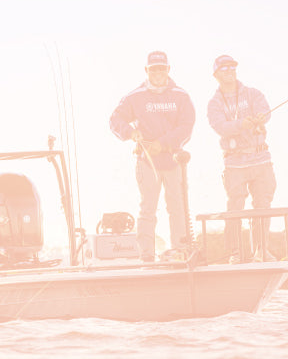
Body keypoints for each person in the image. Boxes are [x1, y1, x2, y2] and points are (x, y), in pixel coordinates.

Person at [110, 51, 195, 262]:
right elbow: (115, 120)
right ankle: (146, 255)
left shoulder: (181, 95)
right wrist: (130, 133)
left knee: (177, 207)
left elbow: (187, 126)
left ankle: (180, 251)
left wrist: (163, 143)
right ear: (146, 70)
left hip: (174, 161)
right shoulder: (134, 96)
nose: (158, 72)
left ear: (168, 69)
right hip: (147, 162)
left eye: (162, 68)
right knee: (148, 208)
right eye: (153, 68)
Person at [207, 54, 276, 264]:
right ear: (216, 74)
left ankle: (261, 250)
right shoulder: (214, 103)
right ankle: (235, 253)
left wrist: (260, 118)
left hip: (261, 158)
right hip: (235, 163)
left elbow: (265, 111)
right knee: (235, 206)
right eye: (225, 68)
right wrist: (241, 124)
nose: (230, 71)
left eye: (232, 67)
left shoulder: (253, 93)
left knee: (263, 205)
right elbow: (220, 127)